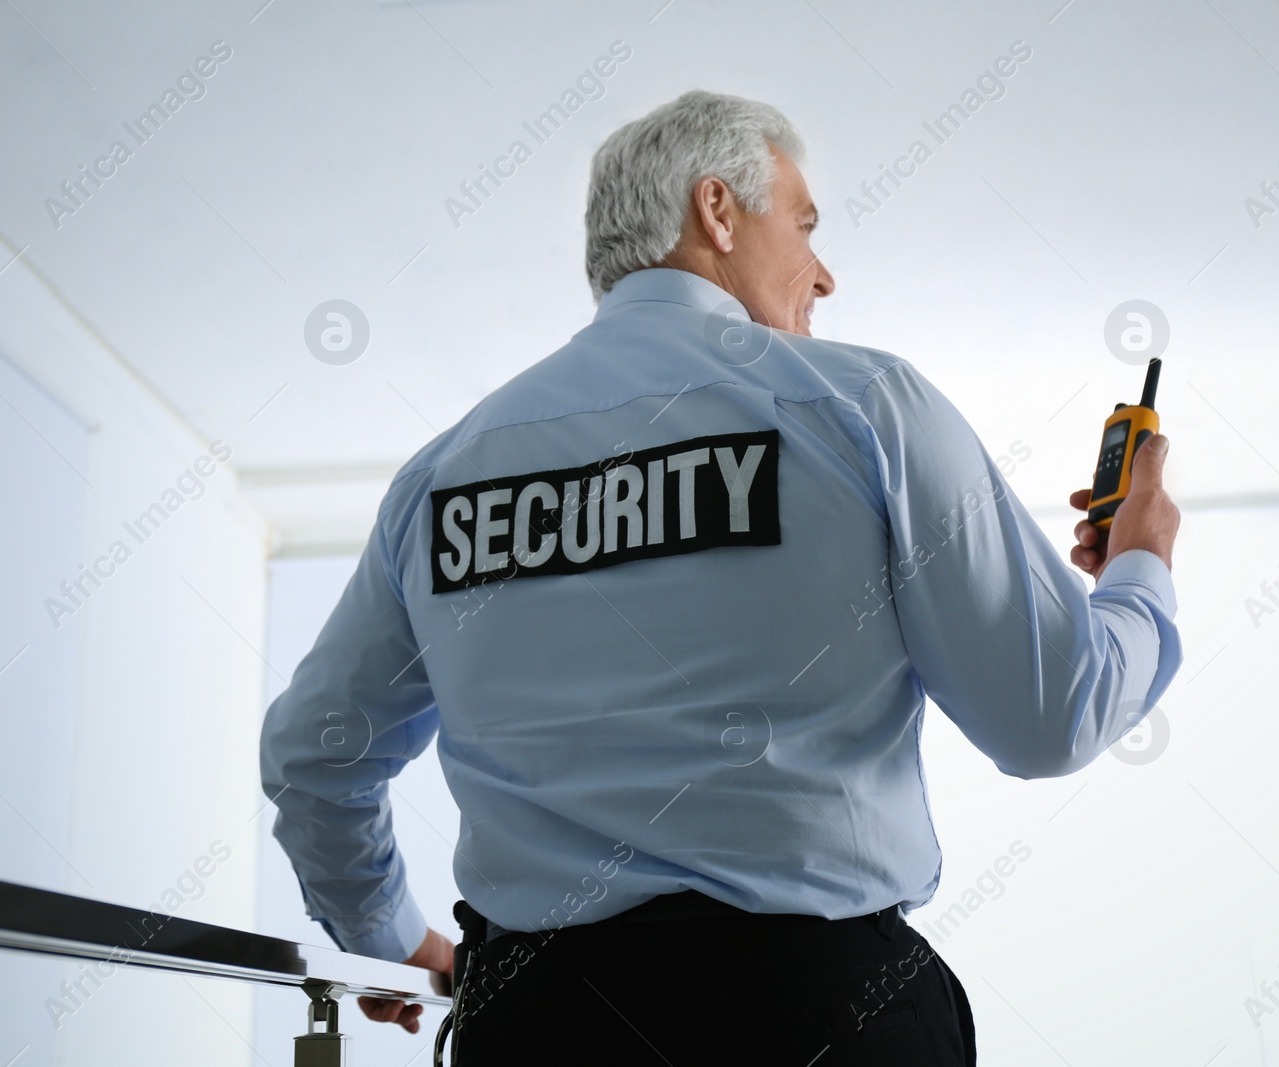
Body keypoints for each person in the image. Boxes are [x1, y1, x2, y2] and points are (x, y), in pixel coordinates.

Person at [259, 89, 1181, 1064]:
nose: (822, 274)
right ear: (716, 210)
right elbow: (1051, 716)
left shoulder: (445, 473)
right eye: (805, 225)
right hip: (818, 1018)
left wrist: (386, 937)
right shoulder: (864, 405)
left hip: (540, 1027)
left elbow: (316, 752)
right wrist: (1139, 562)